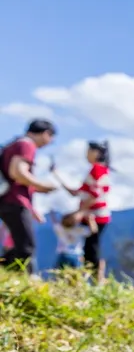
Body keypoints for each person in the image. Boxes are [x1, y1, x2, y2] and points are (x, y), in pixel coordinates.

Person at [0, 119, 58, 273]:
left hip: (8, 200)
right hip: (15, 201)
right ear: (45, 133)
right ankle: (15, 279)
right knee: (26, 247)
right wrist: (42, 185)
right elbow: (17, 172)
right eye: (51, 137)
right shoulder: (26, 144)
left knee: (20, 245)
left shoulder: (14, 144)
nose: (50, 142)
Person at [56, 140, 112, 283]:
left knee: (91, 249)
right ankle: (89, 278)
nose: (86, 154)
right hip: (89, 216)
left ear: (97, 153)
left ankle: (96, 279)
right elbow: (77, 193)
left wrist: (80, 212)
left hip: (96, 217)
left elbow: (95, 194)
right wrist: (56, 175)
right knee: (88, 248)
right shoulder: (96, 170)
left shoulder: (97, 170)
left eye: (89, 151)